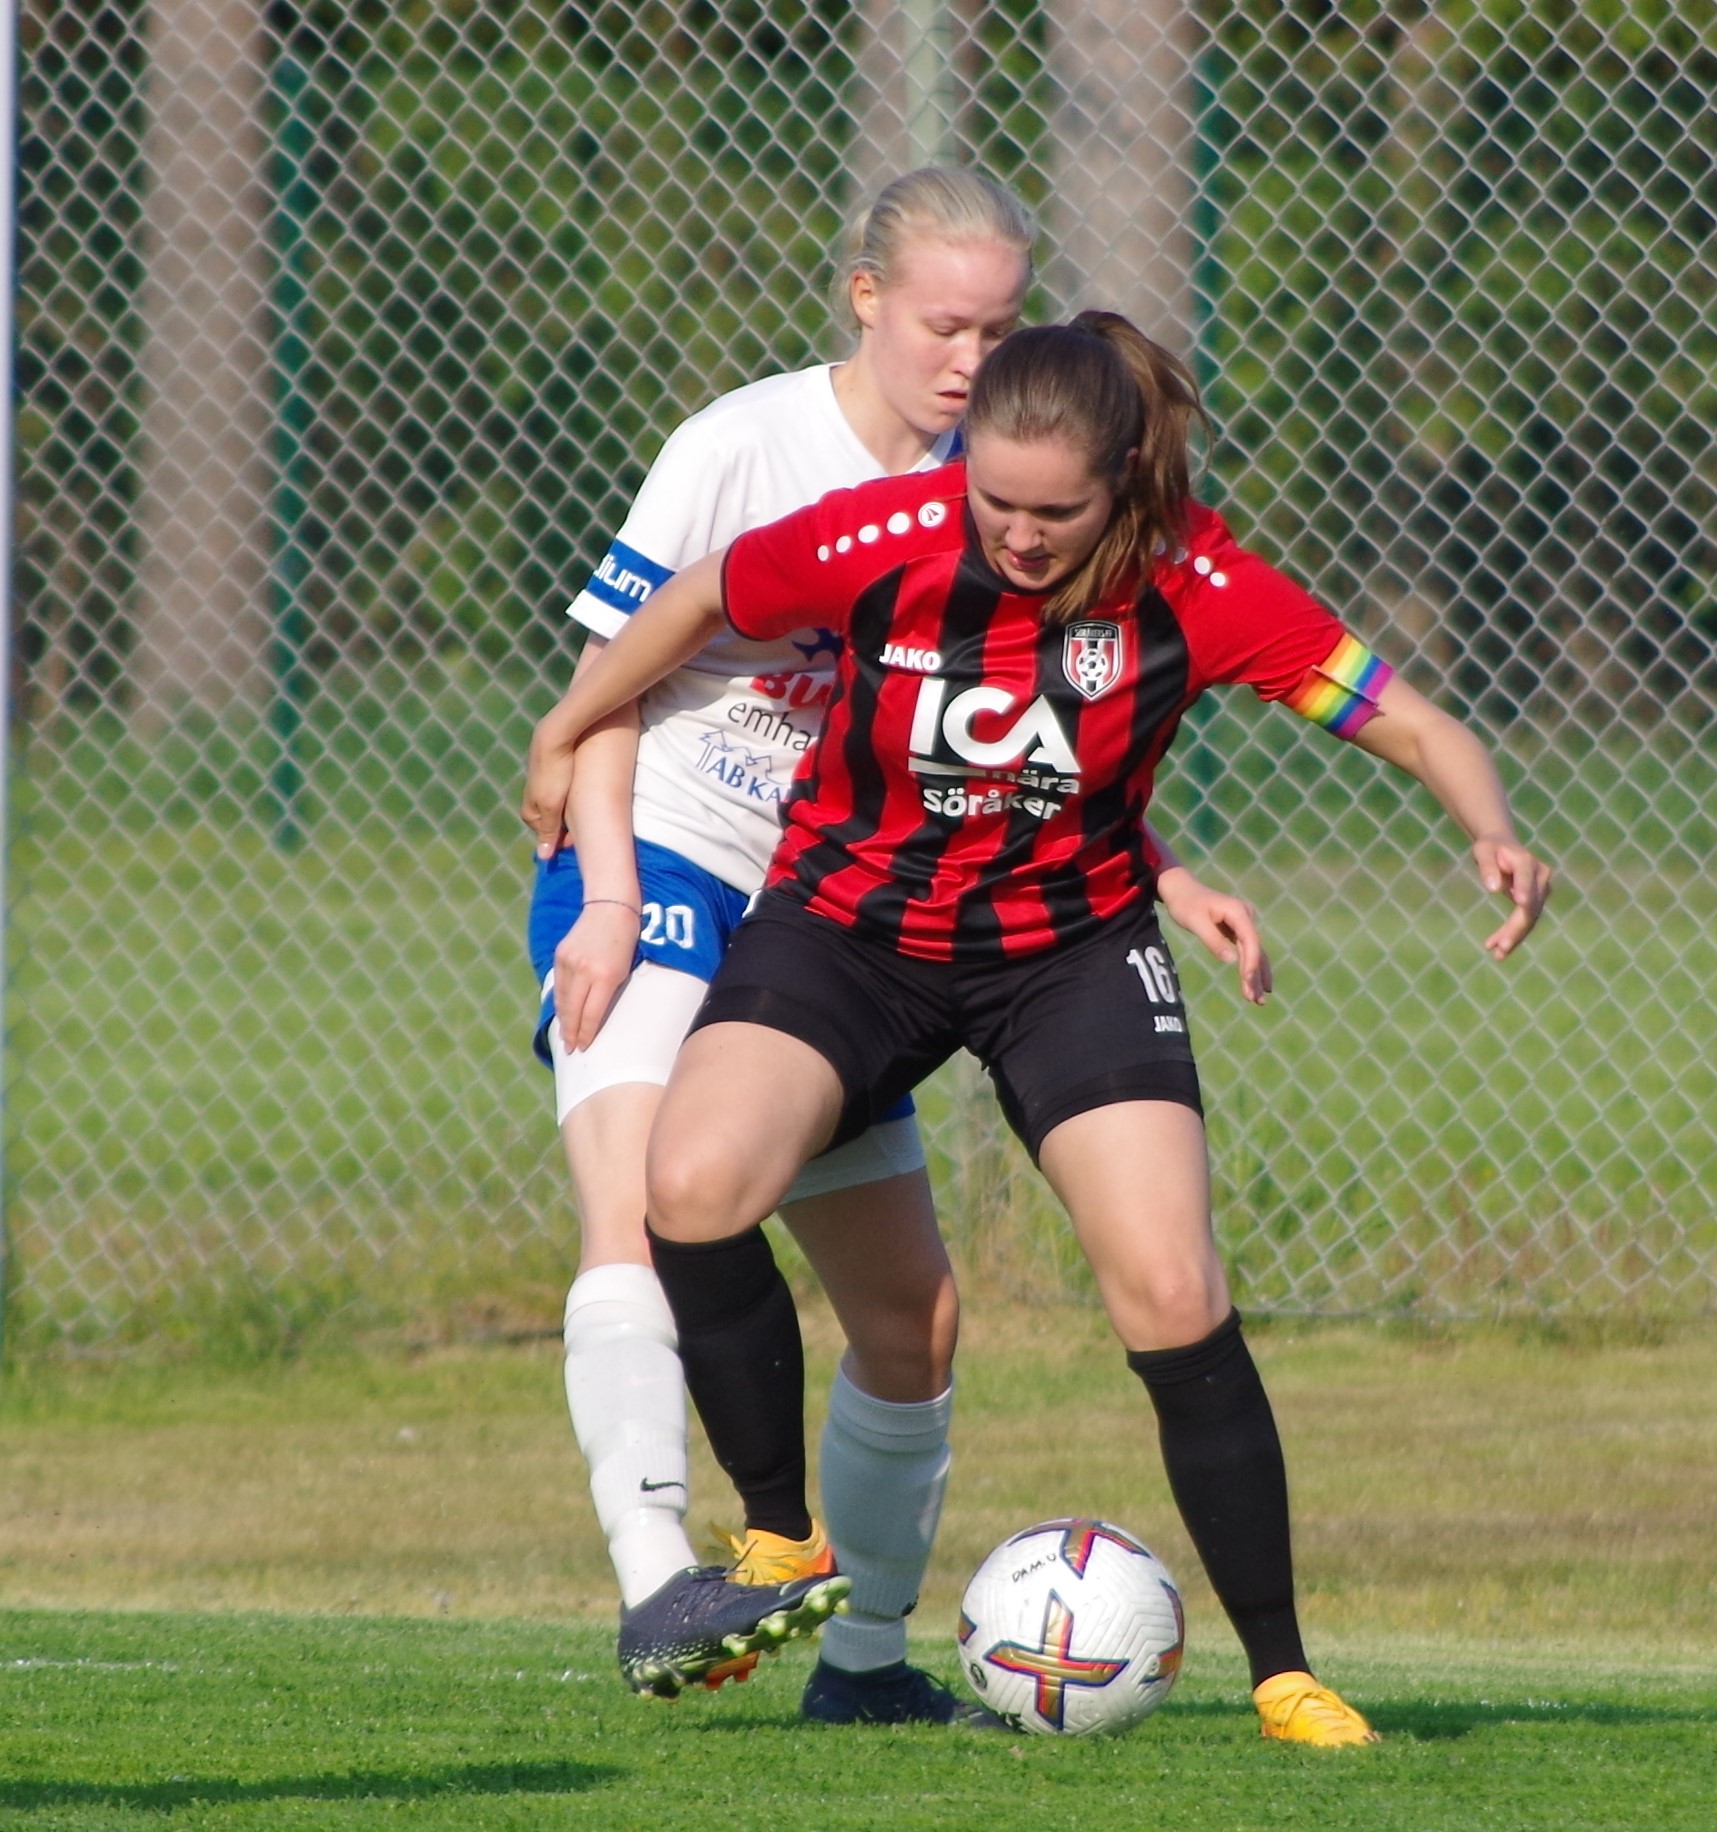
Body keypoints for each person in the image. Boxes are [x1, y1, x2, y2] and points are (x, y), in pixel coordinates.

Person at [522, 311, 1551, 1748]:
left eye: (1051, 513)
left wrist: (1489, 826)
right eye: (992, 499)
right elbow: (698, 598)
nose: (1012, 532)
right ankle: (779, 1539)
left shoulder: (1199, 580)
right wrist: (569, 725)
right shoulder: (888, 532)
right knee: (686, 1187)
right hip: (850, 934)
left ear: (1122, 483)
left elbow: (1415, 722)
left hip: (1067, 956)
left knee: (1172, 1291)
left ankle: (1284, 1676)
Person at [527, 178, 1267, 1719]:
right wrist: (605, 897)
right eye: (946, 324)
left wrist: (1164, 867)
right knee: (649, 1205)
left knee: (911, 1321)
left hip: (847, 913)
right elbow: (604, 687)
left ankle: (861, 1669)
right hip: (665, 861)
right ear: (865, 298)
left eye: (1001, 326)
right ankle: (666, 1580)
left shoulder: (1005, 481)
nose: (974, 356)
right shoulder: (741, 445)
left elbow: (1015, 744)